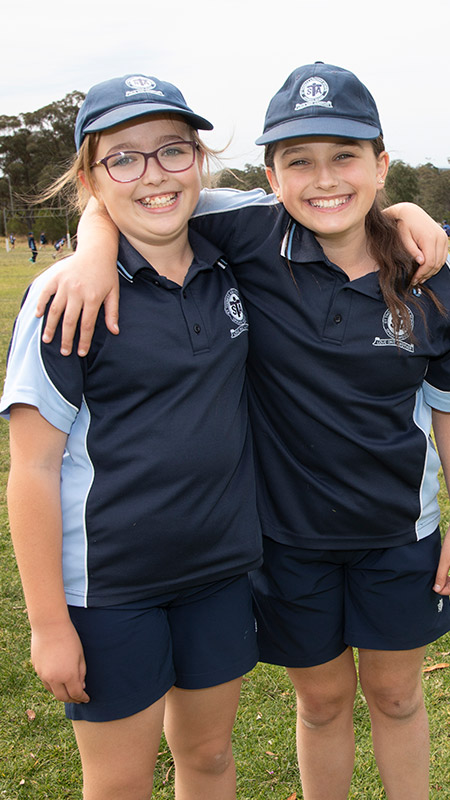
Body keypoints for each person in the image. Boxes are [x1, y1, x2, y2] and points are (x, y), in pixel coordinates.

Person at [33, 64, 450, 800]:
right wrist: (93, 248)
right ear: (270, 176)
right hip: (285, 537)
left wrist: (412, 212)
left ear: (382, 163)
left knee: (396, 695)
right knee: (322, 701)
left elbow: (444, 407)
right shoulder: (250, 230)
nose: (325, 179)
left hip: (398, 532)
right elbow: (132, 193)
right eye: (299, 161)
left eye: (346, 156)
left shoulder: (430, 271)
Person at [0, 73, 263, 800]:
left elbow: (324, 199)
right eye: (123, 157)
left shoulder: (230, 260)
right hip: (111, 590)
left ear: (199, 161)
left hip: (219, 572)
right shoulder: (64, 298)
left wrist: (407, 211)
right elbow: (31, 468)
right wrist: (49, 625)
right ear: (90, 178)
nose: (153, 174)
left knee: (209, 757)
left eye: (173, 150)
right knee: (119, 783)